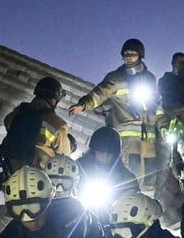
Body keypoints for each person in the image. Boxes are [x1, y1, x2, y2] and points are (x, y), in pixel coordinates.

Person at [69, 39, 162, 195]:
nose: (128, 57)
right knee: (128, 175)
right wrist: (83, 104)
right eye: (125, 54)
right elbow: (100, 92)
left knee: (149, 177)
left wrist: (163, 125)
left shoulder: (149, 79)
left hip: (148, 141)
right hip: (127, 140)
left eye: (132, 54)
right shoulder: (117, 77)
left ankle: (144, 208)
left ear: (140, 56)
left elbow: (156, 104)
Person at [0, 76, 73, 172]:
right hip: (36, 178)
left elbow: (7, 122)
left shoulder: (19, 111)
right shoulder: (59, 124)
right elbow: (65, 157)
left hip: (9, 169)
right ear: (54, 99)